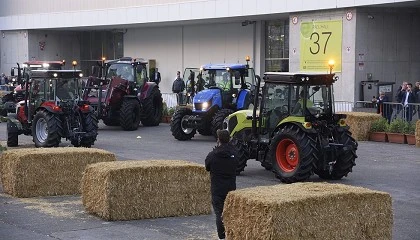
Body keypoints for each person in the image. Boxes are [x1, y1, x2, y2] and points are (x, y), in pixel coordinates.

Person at [205, 129, 238, 240]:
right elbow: (237, 165)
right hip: (231, 188)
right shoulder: (234, 153)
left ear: (218, 139)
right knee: (230, 213)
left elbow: (207, 167)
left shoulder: (213, 155)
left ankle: (222, 237)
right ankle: (231, 234)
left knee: (219, 213)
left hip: (217, 189)